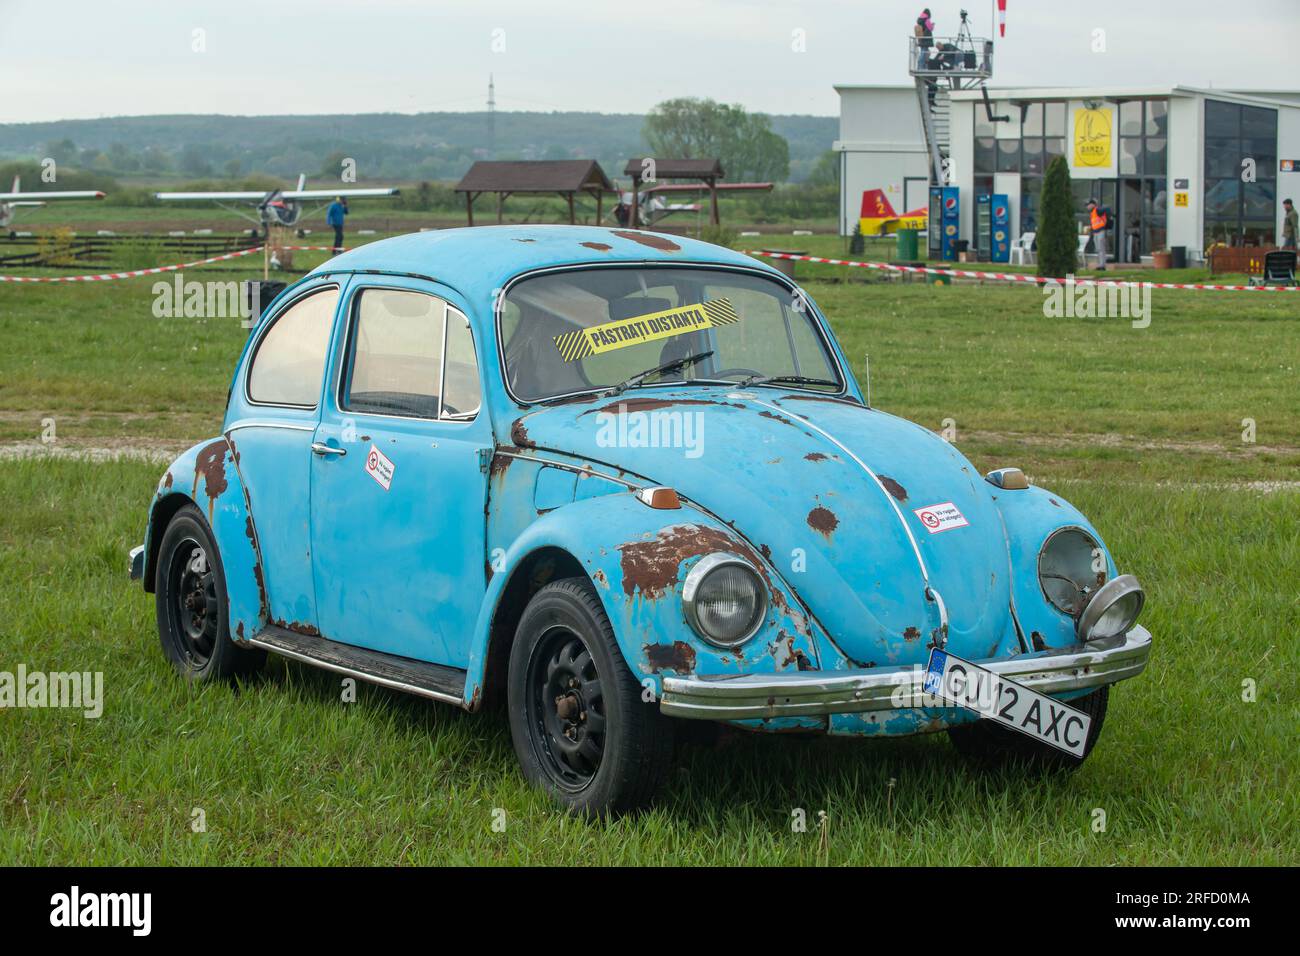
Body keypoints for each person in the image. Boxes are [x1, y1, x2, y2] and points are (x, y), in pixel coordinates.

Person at [1086, 198, 1112, 270]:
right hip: (1096, 232)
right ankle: (1100, 264)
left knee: (1101, 249)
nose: (1087, 206)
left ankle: (1102, 265)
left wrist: (1109, 217)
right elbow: (1094, 223)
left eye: (1088, 205)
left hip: (1101, 231)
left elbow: (1107, 209)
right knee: (1098, 249)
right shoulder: (1092, 212)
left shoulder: (1098, 210)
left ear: (1092, 205)